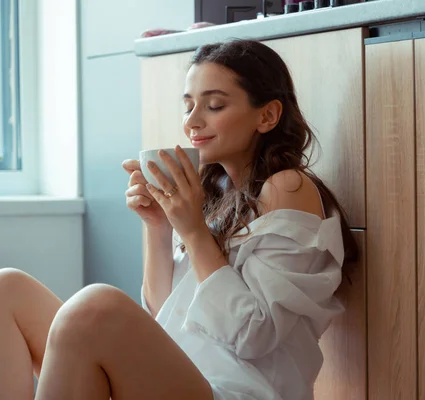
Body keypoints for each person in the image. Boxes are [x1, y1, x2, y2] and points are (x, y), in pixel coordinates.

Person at [0, 39, 356, 400]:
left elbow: (254, 336)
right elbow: (164, 319)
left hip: (242, 391)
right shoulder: (213, 192)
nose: (192, 122)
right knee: (7, 288)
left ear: (267, 116)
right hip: (182, 378)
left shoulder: (288, 188)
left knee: (95, 307)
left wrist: (193, 230)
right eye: (188, 107)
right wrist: (159, 226)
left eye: (214, 105)